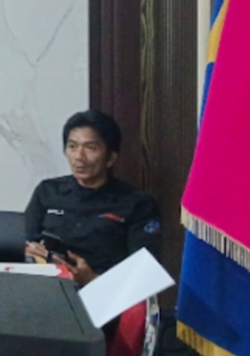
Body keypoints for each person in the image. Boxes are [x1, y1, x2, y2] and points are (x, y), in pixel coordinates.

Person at [24, 110, 162, 285]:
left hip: (106, 294)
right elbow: (25, 242)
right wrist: (32, 252)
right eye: (72, 146)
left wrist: (92, 280)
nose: (79, 157)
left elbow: (143, 274)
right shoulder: (47, 191)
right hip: (48, 288)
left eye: (90, 148)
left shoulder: (137, 204)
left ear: (110, 158)